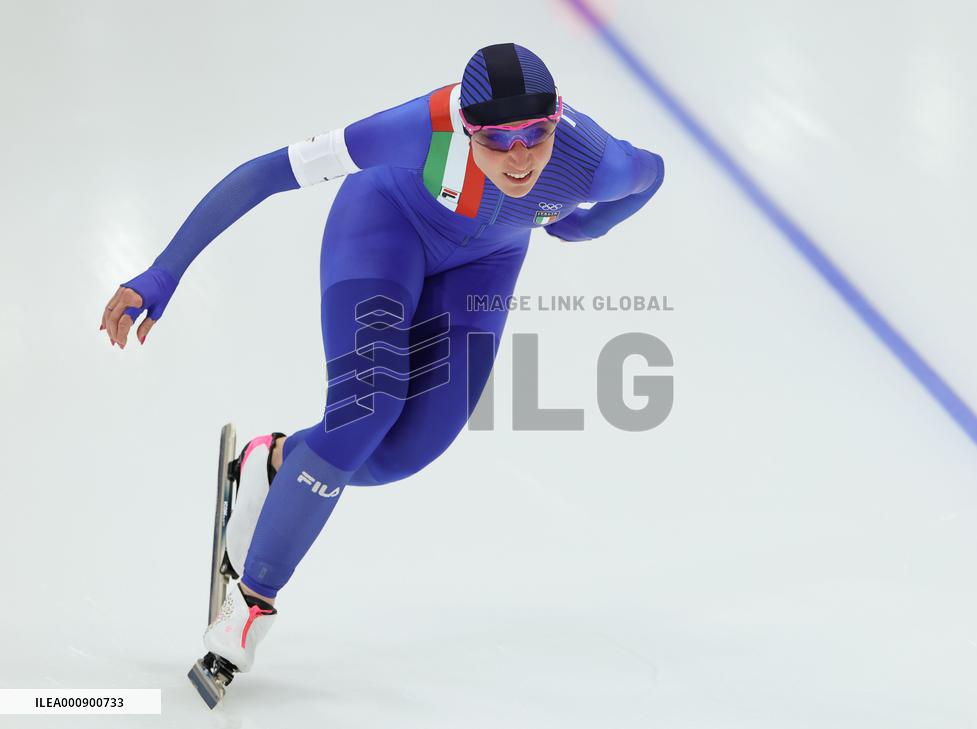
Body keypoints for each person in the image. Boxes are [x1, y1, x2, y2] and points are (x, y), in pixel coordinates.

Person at [99, 42, 665, 674]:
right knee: (365, 412)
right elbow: (266, 174)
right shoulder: (417, 128)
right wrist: (164, 272)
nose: (520, 157)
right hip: (384, 229)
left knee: (406, 452)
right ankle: (253, 601)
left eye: (536, 135)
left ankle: (275, 459)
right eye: (498, 140)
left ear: (557, 119)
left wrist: (592, 226)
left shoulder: (597, 165)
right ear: (464, 126)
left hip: (486, 264)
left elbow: (654, 172)